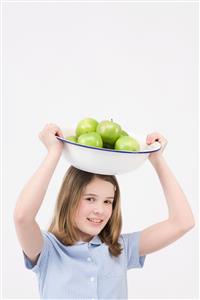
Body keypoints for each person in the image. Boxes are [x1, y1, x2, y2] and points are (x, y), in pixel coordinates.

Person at [13, 123, 195, 299]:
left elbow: (183, 222)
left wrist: (157, 159)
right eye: (90, 199)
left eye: (108, 201)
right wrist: (54, 152)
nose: (100, 210)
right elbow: (22, 217)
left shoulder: (121, 248)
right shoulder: (48, 250)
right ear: (70, 199)